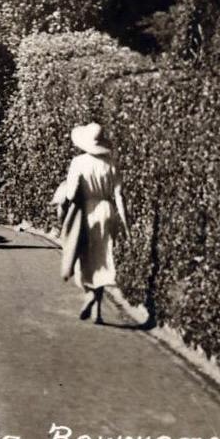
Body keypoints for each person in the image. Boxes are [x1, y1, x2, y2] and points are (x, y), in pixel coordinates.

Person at [52, 122, 131, 324]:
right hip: (107, 211)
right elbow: (119, 196)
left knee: (84, 258)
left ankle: (89, 295)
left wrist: (63, 207)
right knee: (102, 258)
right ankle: (97, 310)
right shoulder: (111, 164)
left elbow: (70, 193)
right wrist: (126, 224)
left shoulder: (79, 162)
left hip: (86, 212)